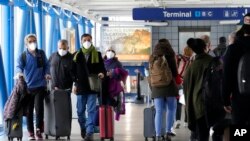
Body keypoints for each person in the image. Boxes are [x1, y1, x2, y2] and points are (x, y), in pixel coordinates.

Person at [16, 34, 50, 140]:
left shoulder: (41, 53)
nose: (33, 43)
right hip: (28, 88)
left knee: (39, 109)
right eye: (30, 41)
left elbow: (46, 65)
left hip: (40, 86)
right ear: (26, 43)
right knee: (29, 111)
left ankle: (39, 130)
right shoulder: (23, 56)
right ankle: (31, 132)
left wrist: (47, 73)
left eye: (34, 41)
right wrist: (19, 73)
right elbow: (18, 66)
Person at [72, 33, 106, 141]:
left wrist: (102, 73)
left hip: (92, 86)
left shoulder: (97, 54)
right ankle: (84, 128)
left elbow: (102, 68)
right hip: (80, 86)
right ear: (81, 42)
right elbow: (72, 72)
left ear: (91, 41)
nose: (87, 42)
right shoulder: (76, 55)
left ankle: (89, 132)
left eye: (89, 40)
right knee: (80, 111)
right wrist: (74, 84)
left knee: (91, 110)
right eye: (85, 40)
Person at [223, 13, 250, 126]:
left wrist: (225, 100)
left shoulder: (233, 49)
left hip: (239, 98)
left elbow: (227, 76)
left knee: (240, 130)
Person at [183, 38, 213, 141]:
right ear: (205, 47)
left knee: (196, 133)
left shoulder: (191, 67)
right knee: (204, 134)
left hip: (194, 105)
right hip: (207, 104)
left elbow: (185, 87)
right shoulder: (211, 61)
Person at [149, 41, 178, 141]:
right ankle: (168, 132)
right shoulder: (170, 55)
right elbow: (175, 72)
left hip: (156, 87)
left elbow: (150, 74)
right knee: (171, 109)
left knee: (159, 111)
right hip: (169, 85)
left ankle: (157, 134)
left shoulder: (153, 57)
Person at [103, 48, 128, 121]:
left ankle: (115, 112)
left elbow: (122, 75)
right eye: (108, 50)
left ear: (114, 54)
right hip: (104, 85)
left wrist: (114, 73)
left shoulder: (117, 63)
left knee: (113, 102)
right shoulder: (102, 62)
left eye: (112, 51)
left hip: (114, 86)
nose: (110, 52)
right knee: (105, 103)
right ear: (105, 52)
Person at [175, 46, 193, 129]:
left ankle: (177, 120)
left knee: (179, 102)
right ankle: (186, 121)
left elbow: (177, 71)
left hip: (179, 82)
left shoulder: (180, 59)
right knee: (187, 102)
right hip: (188, 83)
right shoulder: (192, 60)